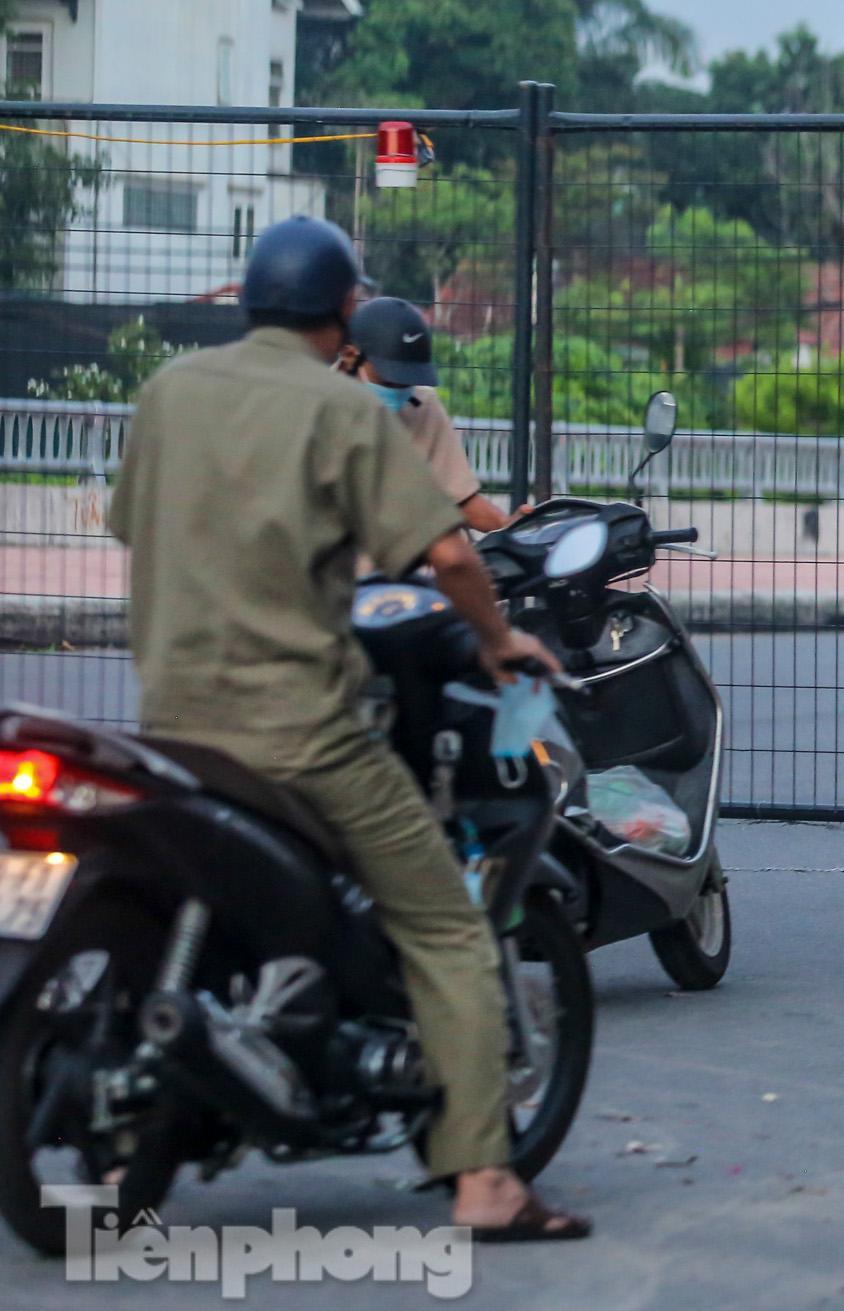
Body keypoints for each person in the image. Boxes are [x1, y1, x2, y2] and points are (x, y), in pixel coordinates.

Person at [108, 215, 590, 1239]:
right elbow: (449, 555)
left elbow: (129, 523)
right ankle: (485, 1183)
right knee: (448, 923)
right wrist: (499, 641)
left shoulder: (169, 392)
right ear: (342, 313)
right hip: (299, 734)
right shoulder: (340, 409)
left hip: (167, 727)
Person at [338, 296, 515, 534]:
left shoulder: (422, 403)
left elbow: (460, 499)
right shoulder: (315, 406)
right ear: (350, 357)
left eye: (407, 381)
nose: (399, 389)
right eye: (389, 380)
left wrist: (511, 527)